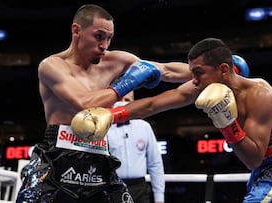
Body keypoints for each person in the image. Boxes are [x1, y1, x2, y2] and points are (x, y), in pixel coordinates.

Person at [73, 38, 272, 202]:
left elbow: (252, 158)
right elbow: (153, 104)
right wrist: (111, 114)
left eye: (199, 72)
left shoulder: (261, 94)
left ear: (223, 69)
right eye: (192, 73)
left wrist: (226, 123)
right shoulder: (202, 86)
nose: (194, 80)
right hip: (266, 166)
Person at [16, 4, 191, 203]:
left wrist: (218, 70)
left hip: (98, 154)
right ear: (76, 30)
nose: (104, 45)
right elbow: (84, 104)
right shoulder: (52, 66)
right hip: (58, 156)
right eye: (98, 36)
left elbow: (165, 70)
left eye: (109, 38)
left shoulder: (115, 61)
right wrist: (127, 83)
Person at [107, 91, 165, 203]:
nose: (122, 104)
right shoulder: (105, 128)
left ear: (133, 102)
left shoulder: (144, 127)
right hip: (113, 187)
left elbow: (155, 164)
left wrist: (159, 198)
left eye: (127, 100)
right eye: (119, 99)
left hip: (140, 188)